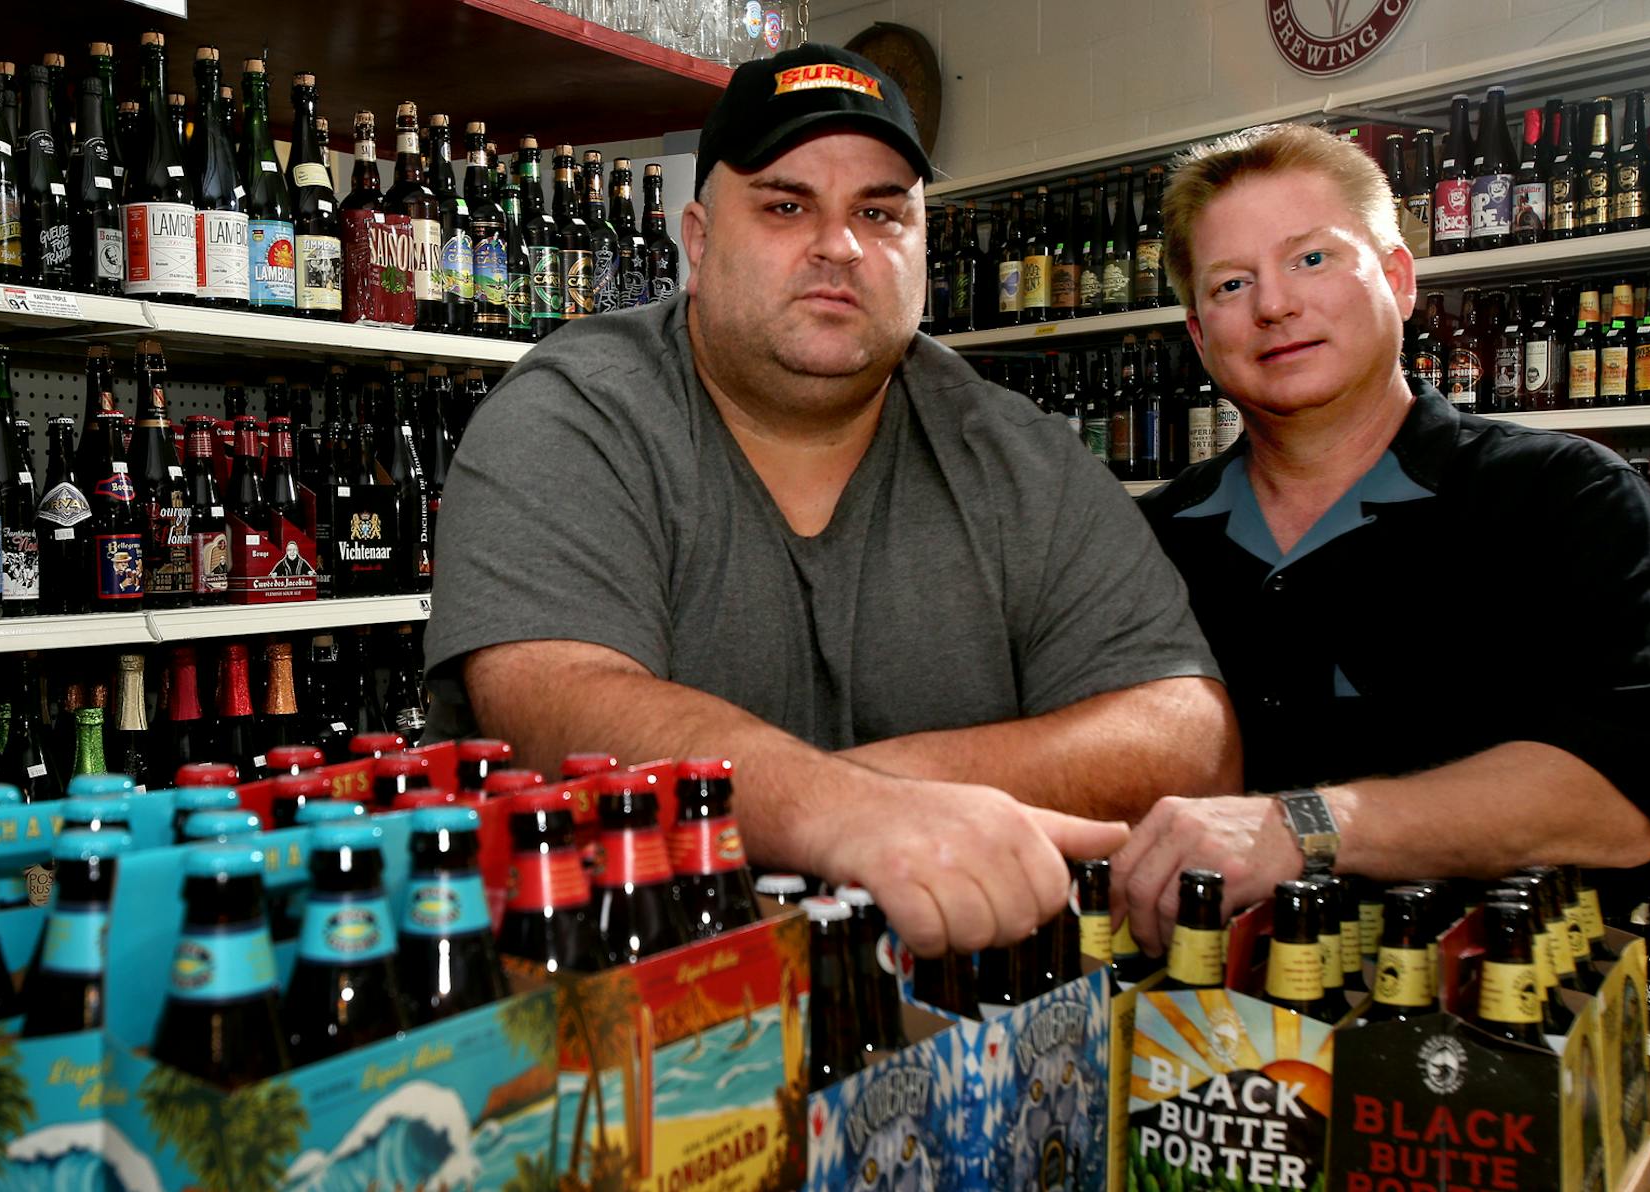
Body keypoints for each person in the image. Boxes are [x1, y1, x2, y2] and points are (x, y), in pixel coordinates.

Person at [425, 44, 1240, 957]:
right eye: (786, 204)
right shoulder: (574, 415)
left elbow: (1189, 737)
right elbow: (553, 703)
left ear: (923, 245)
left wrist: (874, 788)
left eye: (880, 212)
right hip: (626, 1019)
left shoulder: (1017, 453)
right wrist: (838, 811)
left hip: (960, 1022)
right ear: (697, 241)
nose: (839, 245)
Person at [1116, 123, 1650, 952]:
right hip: (1203, 1039)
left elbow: (1610, 807)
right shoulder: (1147, 541)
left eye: (1312, 259)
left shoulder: (1563, 497)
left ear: (1398, 279)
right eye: (1231, 283)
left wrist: (1303, 825)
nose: (1274, 306)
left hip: (1481, 1038)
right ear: (1202, 336)